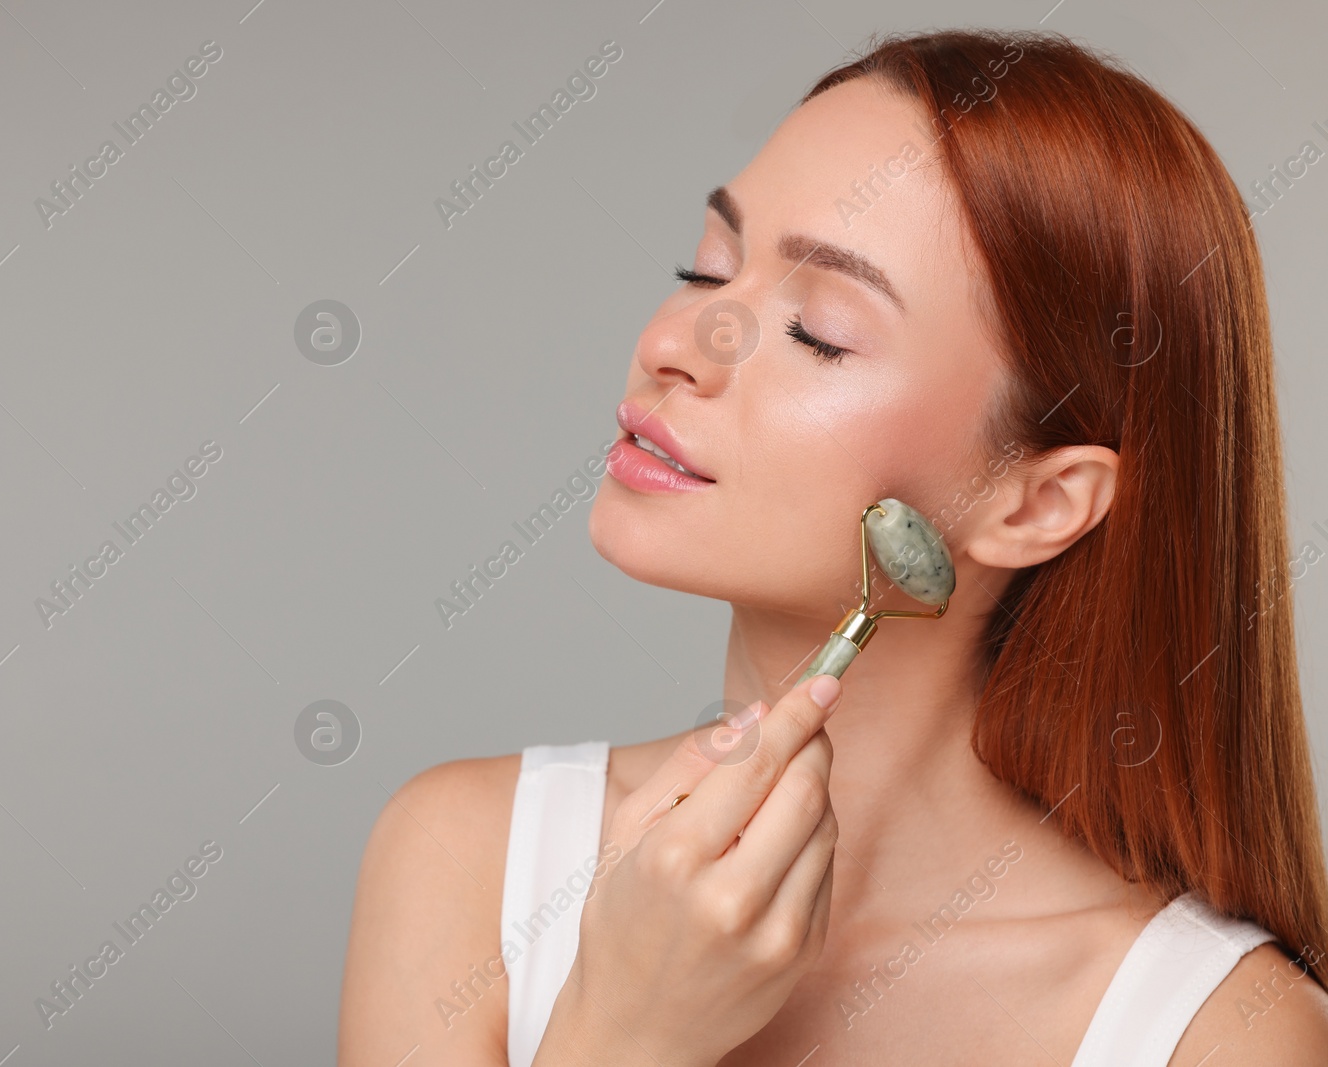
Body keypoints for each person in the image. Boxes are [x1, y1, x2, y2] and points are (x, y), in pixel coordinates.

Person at [340, 28, 1328, 1065]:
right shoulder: (466, 858)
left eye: (818, 329)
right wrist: (626, 1028)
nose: (676, 344)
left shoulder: (1220, 1033)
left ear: (1037, 504)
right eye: (705, 267)